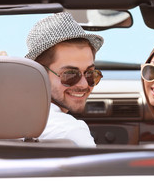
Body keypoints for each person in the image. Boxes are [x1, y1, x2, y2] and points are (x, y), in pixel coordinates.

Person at [25, 12, 104, 147]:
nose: (84, 84)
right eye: (70, 75)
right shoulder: (72, 132)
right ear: (39, 74)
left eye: (90, 74)